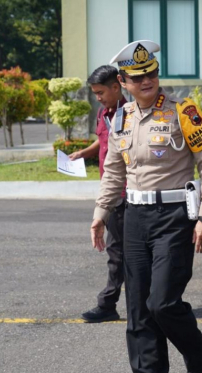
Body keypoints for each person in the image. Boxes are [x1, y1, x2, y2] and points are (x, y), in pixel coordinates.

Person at [90, 40, 202, 373]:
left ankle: (200, 361)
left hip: (175, 218)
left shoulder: (184, 110)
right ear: (123, 82)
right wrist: (100, 213)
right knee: (138, 308)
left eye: (151, 73)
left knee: (162, 303)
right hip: (134, 217)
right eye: (137, 77)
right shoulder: (120, 117)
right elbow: (114, 170)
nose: (146, 81)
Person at [68, 65, 128, 323]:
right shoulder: (105, 113)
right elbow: (102, 142)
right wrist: (84, 153)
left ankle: (108, 304)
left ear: (117, 86)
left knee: (118, 252)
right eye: (95, 93)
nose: (98, 98)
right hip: (110, 192)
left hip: (124, 195)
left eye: (101, 92)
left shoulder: (128, 116)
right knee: (122, 253)